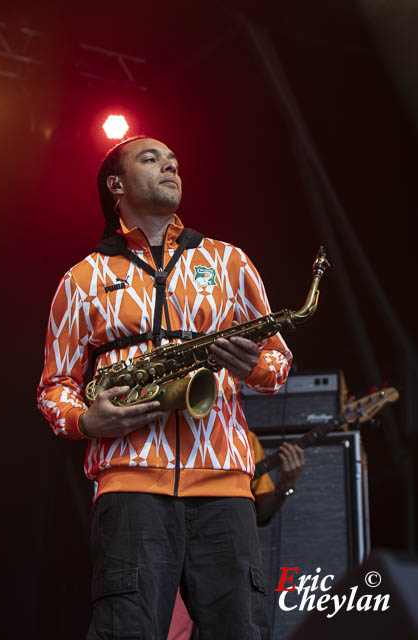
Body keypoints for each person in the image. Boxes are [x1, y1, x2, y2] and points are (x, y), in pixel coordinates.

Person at [37, 135, 293, 640]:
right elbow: (55, 388)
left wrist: (251, 368)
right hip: (130, 486)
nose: (169, 166)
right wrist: (87, 419)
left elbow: (278, 362)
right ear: (116, 184)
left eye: (174, 161)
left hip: (225, 487)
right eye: (151, 159)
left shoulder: (230, 263)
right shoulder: (80, 278)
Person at [168, 434, 305, 639]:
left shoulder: (241, 437)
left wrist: (284, 488)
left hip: (213, 552)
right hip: (164, 534)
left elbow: (260, 513)